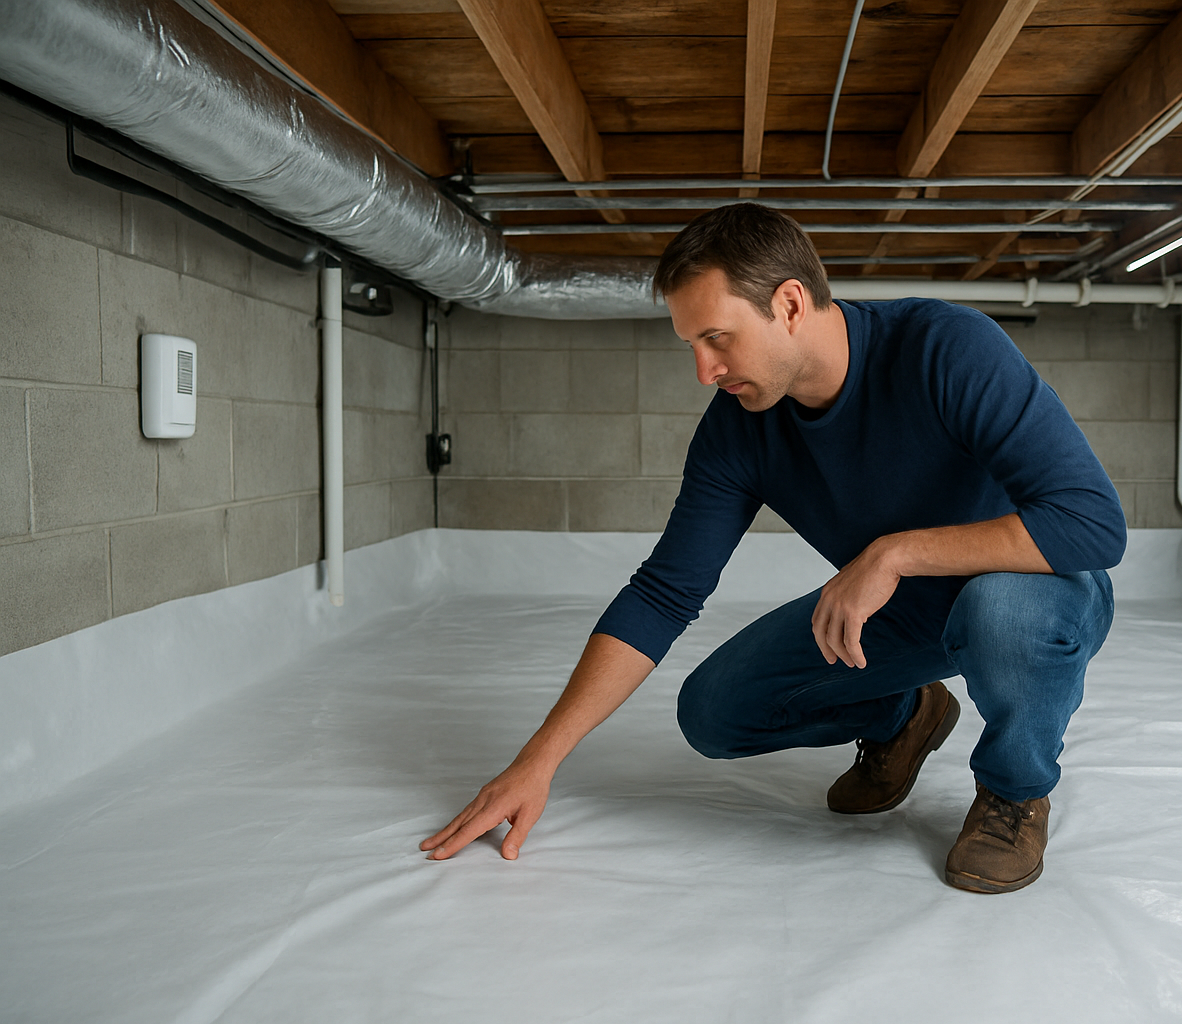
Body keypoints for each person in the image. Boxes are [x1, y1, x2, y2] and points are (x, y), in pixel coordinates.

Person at [421, 203, 1124, 893]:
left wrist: (892, 554)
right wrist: (538, 760)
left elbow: (1091, 524)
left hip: (1036, 586)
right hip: (904, 615)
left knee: (1001, 610)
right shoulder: (738, 429)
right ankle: (907, 715)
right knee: (716, 711)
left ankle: (1012, 792)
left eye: (718, 338)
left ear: (789, 304)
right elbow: (664, 592)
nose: (704, 370)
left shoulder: (944, 346)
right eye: (691, 345)